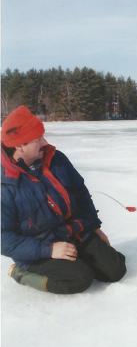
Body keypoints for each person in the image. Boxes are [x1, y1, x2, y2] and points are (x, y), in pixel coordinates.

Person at [1, 105, 126, 294]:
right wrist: (49, 250)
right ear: (19, 145)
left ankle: (79, 259)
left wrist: (94, 226)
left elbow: (80, 192)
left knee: (115, 269)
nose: (44, 143)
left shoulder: (55, 158)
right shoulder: (5, 184)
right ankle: (21, 274)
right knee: (80, 278)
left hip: (72, 232)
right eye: (37, 140)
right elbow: (4, 239)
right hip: (38, 248)